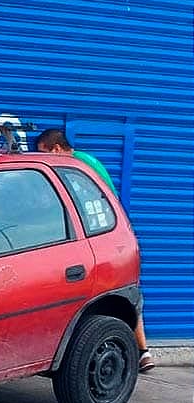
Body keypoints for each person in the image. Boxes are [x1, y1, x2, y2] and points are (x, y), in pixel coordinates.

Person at [35, 128, 154, 372]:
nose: (43, 158)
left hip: (101, 242)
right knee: (124, 297)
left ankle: (139, 351)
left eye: (43, 152)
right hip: (107, 240)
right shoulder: (86, 163)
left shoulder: (77, 168)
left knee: (122, 297)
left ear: (56, 149)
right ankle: (142, 353)